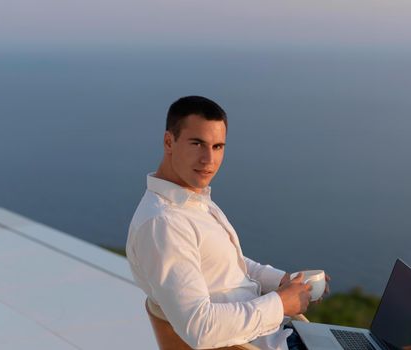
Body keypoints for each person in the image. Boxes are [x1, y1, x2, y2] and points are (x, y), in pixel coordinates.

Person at [126, 96, 329, 350]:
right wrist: (280, 303)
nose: (208, 160)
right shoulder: (164, 224)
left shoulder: (192, 201)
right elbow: (200, 328)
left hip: (278, 333)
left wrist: (283, 281)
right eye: (197, 144)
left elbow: (233, 267)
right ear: (169, 142)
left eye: (218, 146)